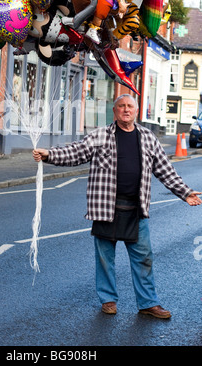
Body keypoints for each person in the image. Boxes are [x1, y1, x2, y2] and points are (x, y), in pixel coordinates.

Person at [33, 94, 202, 319]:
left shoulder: (148, 138)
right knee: (105, 258)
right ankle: (108, 300)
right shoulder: (101, 135)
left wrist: (185, 192)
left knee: (144, 257)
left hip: (136, 208)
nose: (126, 110)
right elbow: (76, 152)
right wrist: (49, 155)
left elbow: (165, 170)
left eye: (130, 106)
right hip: (105, 208)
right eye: (121, 106)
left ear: (136, 110)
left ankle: (148, 303)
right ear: (115, 111)